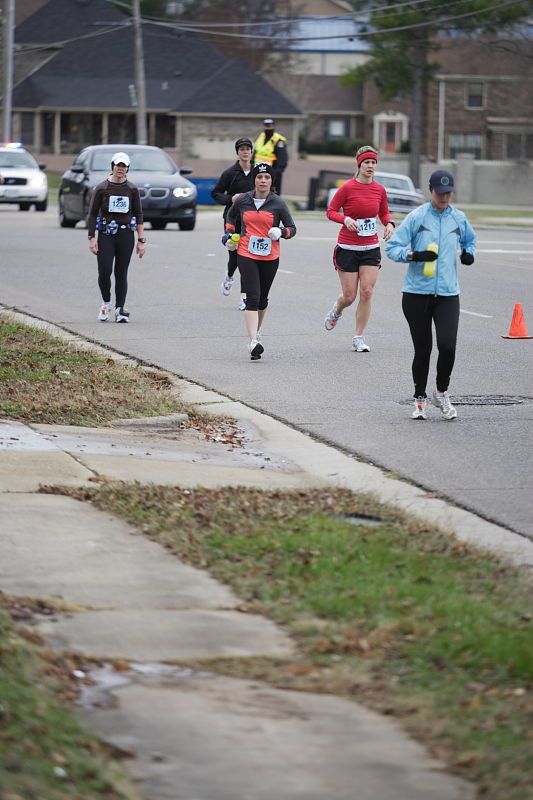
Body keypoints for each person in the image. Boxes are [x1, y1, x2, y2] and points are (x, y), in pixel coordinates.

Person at [385, 169, 476, 421]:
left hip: (448, 294)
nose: (445, 197)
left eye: (448, 193)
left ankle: (442, 392)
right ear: (431, 190)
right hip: (416, 294)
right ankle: (419, 398)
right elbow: (392, 248)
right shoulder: (417, 217)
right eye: (440, 192)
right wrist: (414, 256)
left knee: (447, 346)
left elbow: (470, 240)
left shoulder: (458, 218)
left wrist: (469, 254)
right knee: (423, 349)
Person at [324, 145, 395, 352]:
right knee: (349, 296)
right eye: (367, 162)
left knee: (366, 292)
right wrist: (345, 219)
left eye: (373, 162)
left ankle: (358, 337)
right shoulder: (347, 188)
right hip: (347, 247)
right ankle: (337, 310)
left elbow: (384, 213)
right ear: (359, 164)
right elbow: (330, 211)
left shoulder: (379, 190)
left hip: (370, 247)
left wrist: (390, 224)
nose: (370, 166)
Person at [223, 162, 296, 360]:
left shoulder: (278, 203)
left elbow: (292, 228)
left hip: (270, 256)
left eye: (267, 178)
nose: (263, 181)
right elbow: (230, 217)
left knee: (263, 299)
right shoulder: (242, 200)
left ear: (271, 181)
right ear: (254, 180)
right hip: (246, 253)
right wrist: (229, 235)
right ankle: (253, 341)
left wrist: (281, 231)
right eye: (259, 177)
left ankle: (257, 331)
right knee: (252, 297)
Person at [87, 152, 145, 323]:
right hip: (106, 235)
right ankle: (106, 303)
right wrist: (92, 237)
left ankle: (120, 309)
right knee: (105, 270)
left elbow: (139, 215)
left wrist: (141, 240)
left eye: (124, 166)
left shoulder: (132, 189)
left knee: (121, 272)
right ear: (112, 166)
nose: (120, 169)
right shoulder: (102, 188)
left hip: (126, 234)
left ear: (127, 168)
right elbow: (92, 215)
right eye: (118, 165)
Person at [211, 137, 254, 310]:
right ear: (237, 152)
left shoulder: (258, 172)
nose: (245, 152)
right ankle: (229, 276)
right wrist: (230, 198)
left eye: (247, 149)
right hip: (233, 218)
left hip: (252, 221)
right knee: (235, 256)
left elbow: (268, 190)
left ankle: (244, 298)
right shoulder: (230, 173)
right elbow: (215, 193)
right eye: (241, 149)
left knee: (247, 258)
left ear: (251, 152)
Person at [254, 118, 288, 195]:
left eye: (270, 126)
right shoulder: (261, 137)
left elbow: (283, 159)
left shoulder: (278, 140)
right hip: (258, 171)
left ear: (273, 126)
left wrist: (276, 173)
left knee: (273, 196)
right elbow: (255, 153)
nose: (268, 128)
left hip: (272, 173)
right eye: (266, 126)